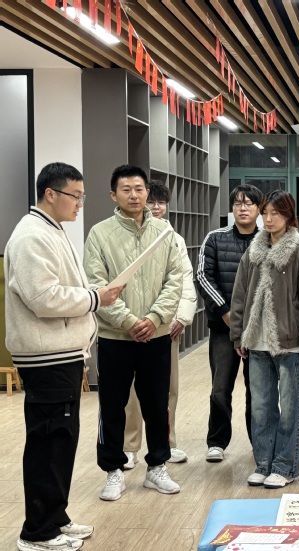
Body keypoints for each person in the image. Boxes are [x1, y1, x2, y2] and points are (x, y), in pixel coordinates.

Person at [6, 163, 123, 551]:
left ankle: (55, 517)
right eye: (76, 196)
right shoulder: (31, 236)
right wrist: (95, 298)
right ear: (50, 194)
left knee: (61, 440)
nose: (79, 204)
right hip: (47, 356)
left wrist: (93, 295)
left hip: (63, 353)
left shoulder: (51, 229)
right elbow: (43, 298)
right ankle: (37, 532)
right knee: (48, 442)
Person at [84, 165, 184, 501]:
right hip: (115, 337)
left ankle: (157, 467)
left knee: (157, 404)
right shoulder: (100, 234)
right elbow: (96, 284)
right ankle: (113, 471)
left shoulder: (164, 232)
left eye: (139, 189)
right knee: (112, 406)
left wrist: (154, 318)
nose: (134, 195)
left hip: (156, 335)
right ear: (113, 195)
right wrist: (128, 321)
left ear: (147, 192)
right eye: (126, 189)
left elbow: (175, 279)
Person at [229, 190, 299, 489]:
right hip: (256, 342)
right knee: (261, 408)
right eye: (266, 213)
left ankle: (285, 466)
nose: (269, 219)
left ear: (289, 216)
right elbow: (240, 294)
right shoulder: (253, 250)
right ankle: (263, 463)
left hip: (289, 343)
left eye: (276, 213)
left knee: (289, 410)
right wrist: (238, 334)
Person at [122, 181, 198, 468]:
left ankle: (167, 443)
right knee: (131, 390)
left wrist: (181, 316)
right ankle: (130, 446)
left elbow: (184, 279)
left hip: (166, 325)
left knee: (168, 388)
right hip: (132, 325)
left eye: (161, 202)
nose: (155, 207)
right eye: (151, 201)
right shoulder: (125, 236)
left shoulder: (174, 238)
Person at [196, 185, 263, 462]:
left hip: (258, 330)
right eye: (237, 203)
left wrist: (253, 318)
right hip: (223, 328)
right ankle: (217, 441)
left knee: (257, 389)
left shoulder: (268, 240)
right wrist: (225, 312)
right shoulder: (215, 238)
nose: (243, 208)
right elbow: (203, 276)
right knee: (221, 388)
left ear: (258, 209)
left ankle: (259, 441)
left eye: (249, 203)